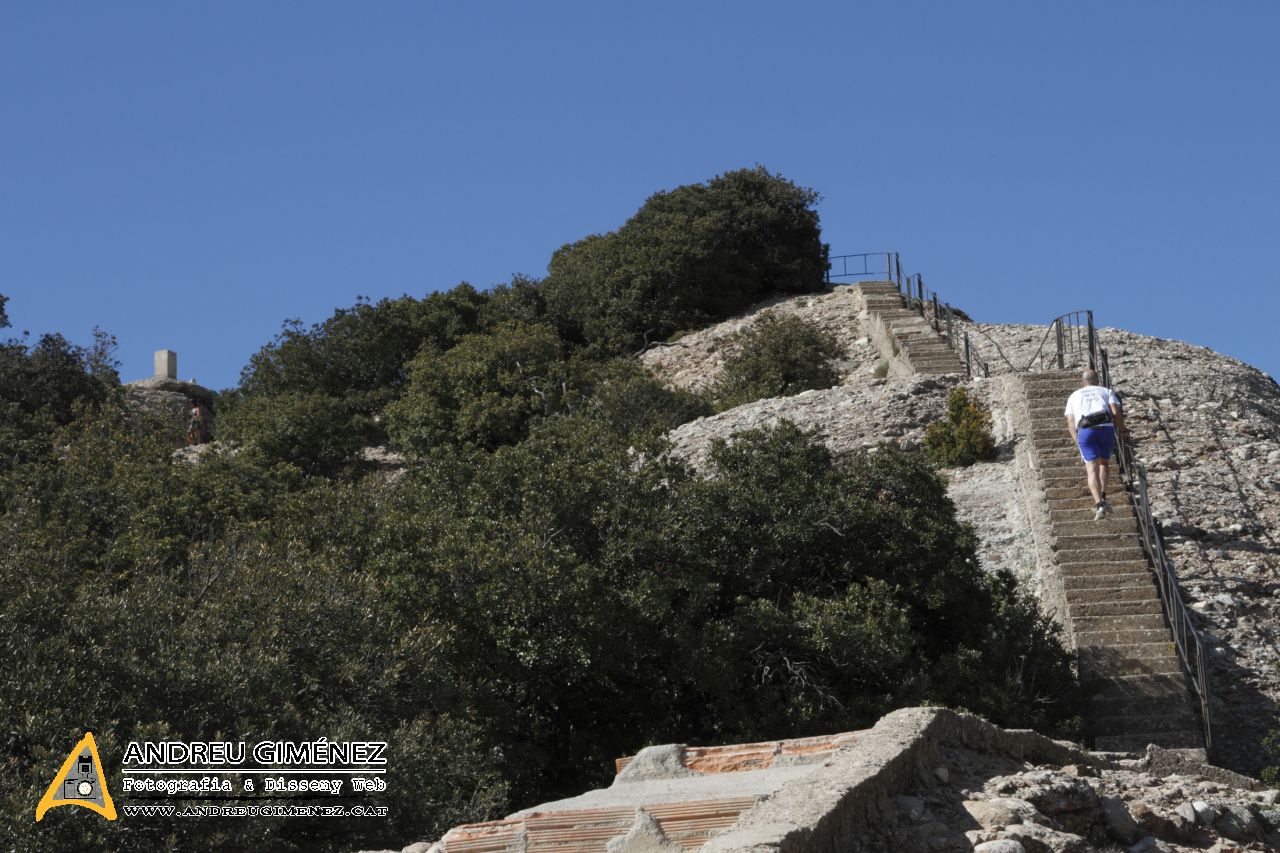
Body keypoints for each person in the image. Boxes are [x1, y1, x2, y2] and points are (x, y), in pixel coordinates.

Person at [1064, 369, 1125, 520]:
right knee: (1104, 463)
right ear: (1098, 381)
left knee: (1091, 469)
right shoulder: (1106, 391)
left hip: (1086, 431)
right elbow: (1116, 414)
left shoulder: (1073, 396)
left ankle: (1099, 505)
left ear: (1081, 383)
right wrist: (1123, 431)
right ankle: (1104, 496)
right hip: (1106, 429)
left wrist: (1079, 444)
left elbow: (1071, 424)